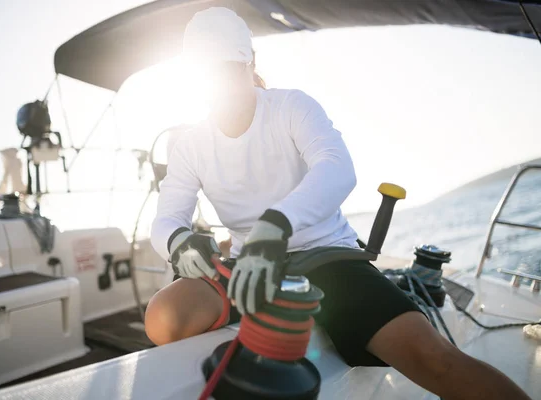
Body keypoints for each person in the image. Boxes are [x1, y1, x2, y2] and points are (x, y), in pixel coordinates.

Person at [146, 7, 530, 400]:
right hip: (250, 269)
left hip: (327, 257)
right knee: (163, 318)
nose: (222, 87)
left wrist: (275, 225)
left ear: (250, 64)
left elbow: (337, 167)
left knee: (435, 360)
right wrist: (178, 241)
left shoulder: (291, 107)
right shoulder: (192, 146)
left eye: (228, 70)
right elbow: (166, 218)